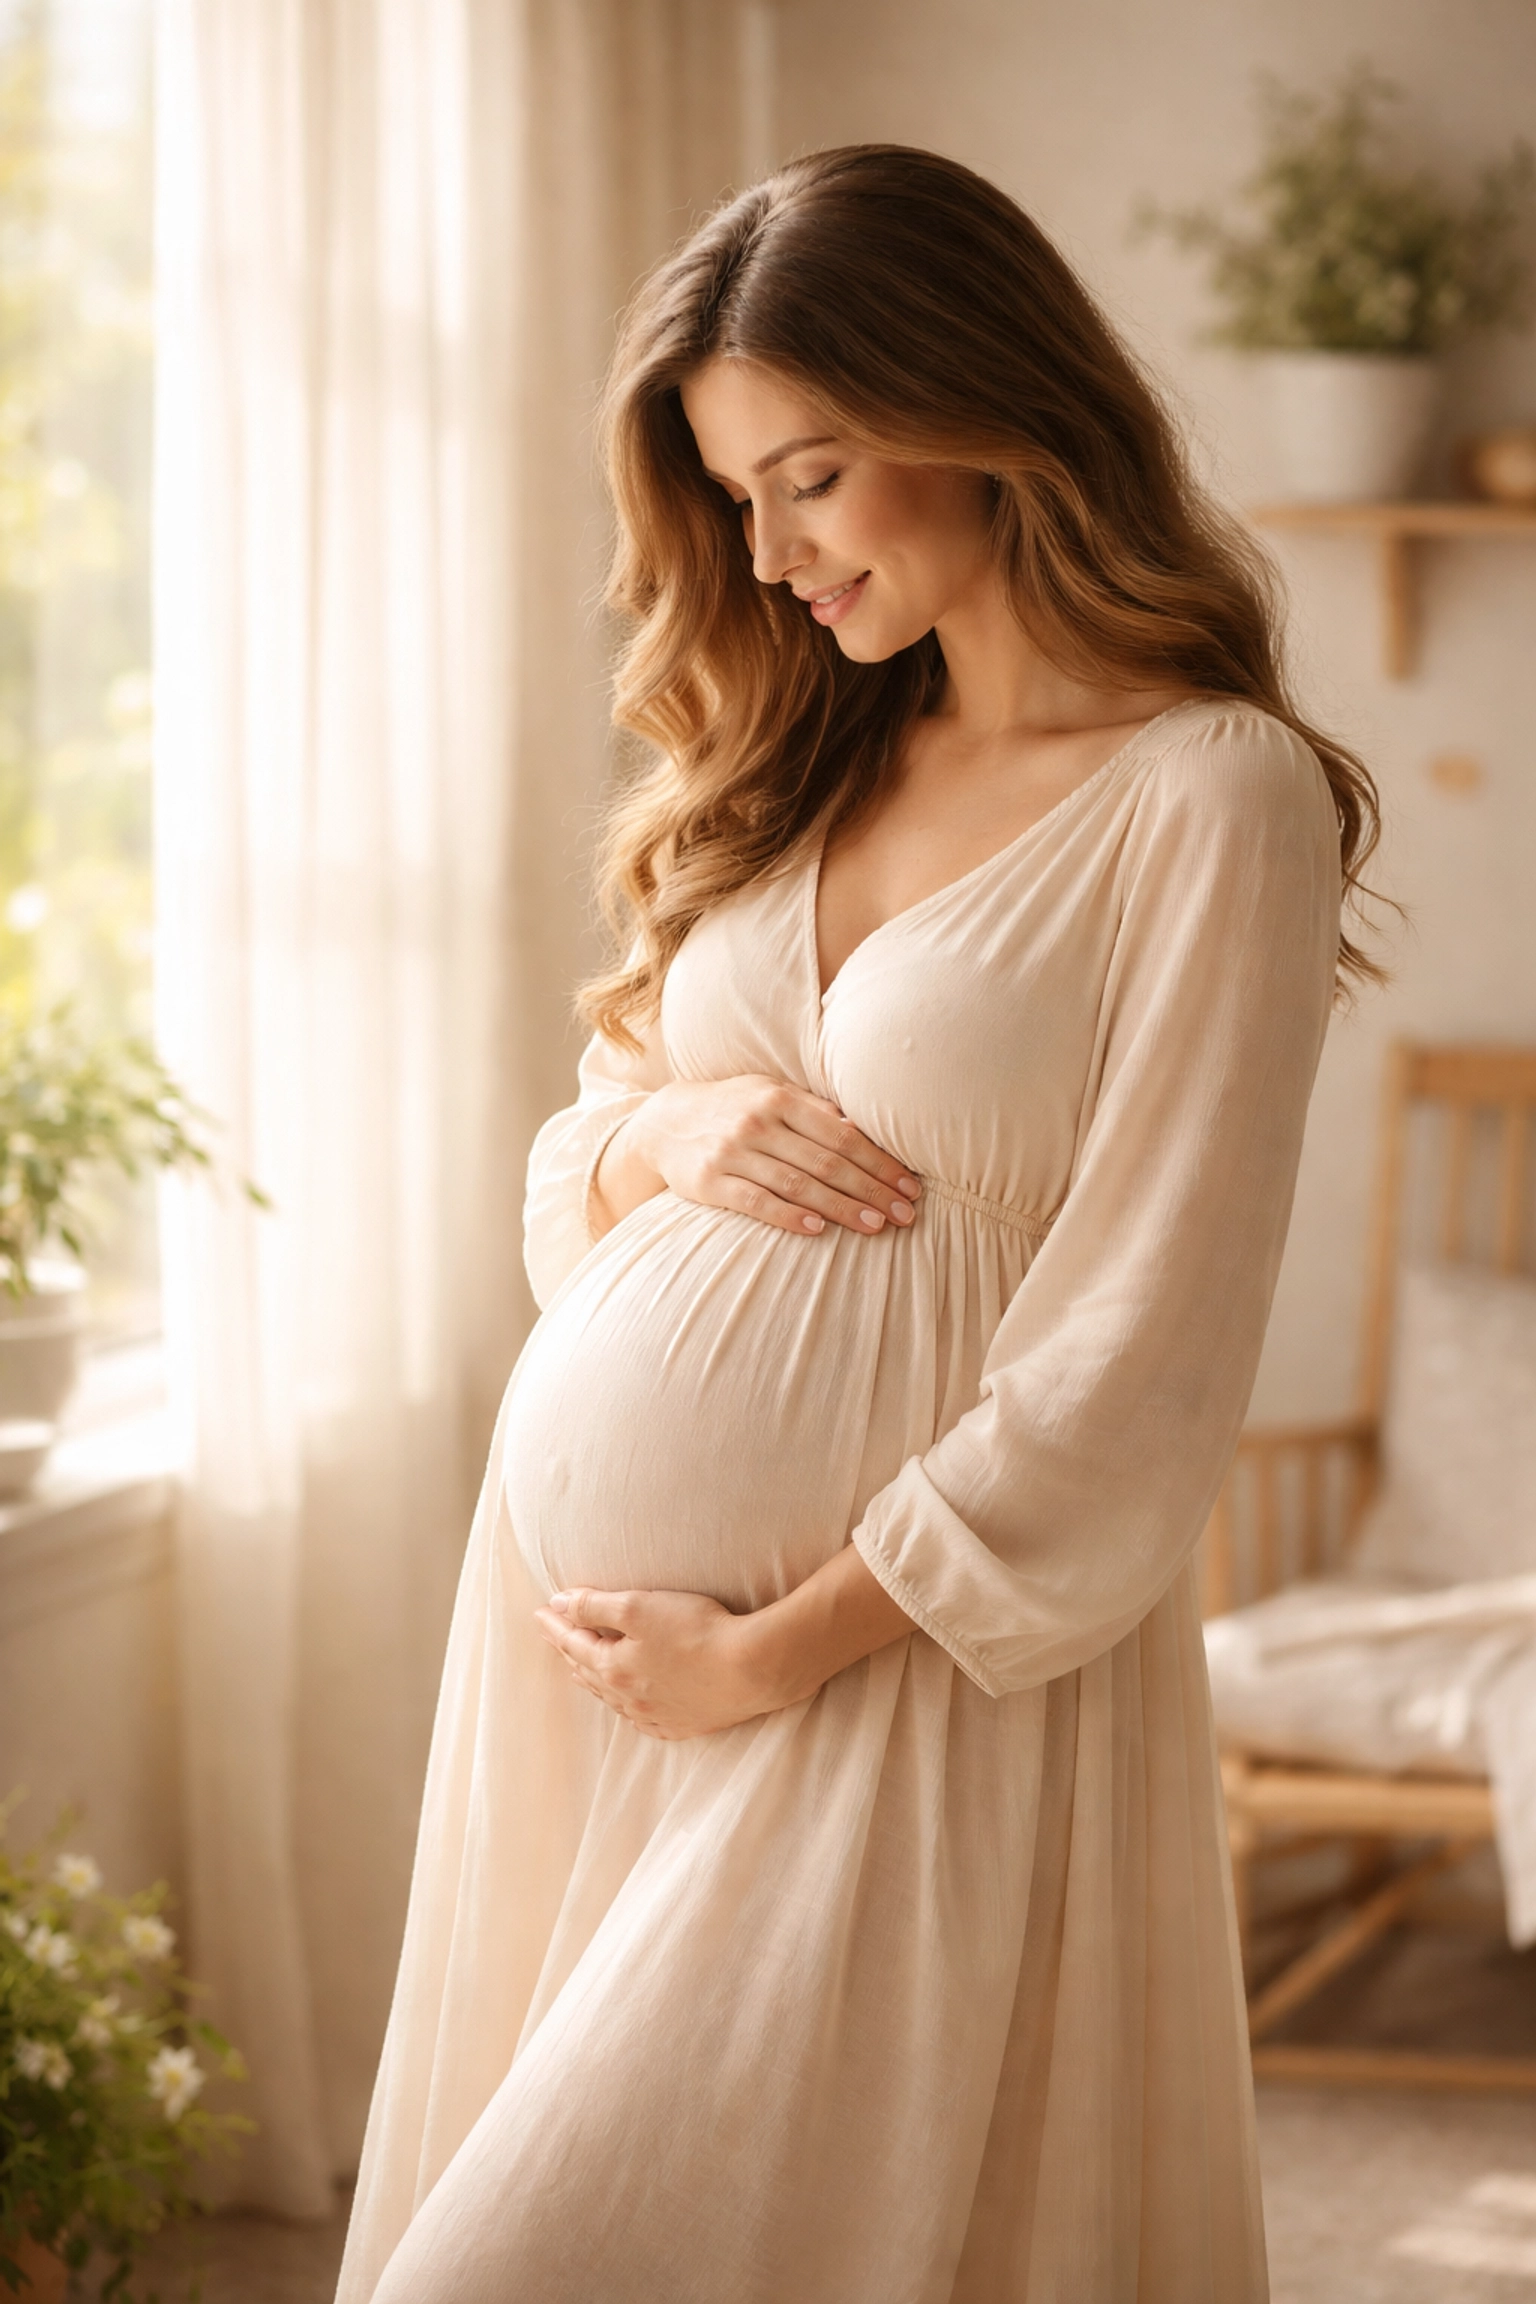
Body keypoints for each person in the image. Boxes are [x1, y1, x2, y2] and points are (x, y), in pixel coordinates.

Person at [336, 144, 1377, 2304]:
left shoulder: (1209, 796)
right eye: (734, 498)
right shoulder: (815, 757)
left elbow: (1144, 1347)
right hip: (604, 1668)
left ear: (984, 412)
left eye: (809, 477)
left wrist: (768, 1650)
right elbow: (582, 1166)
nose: (769, 550)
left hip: (897, 1668)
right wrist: (676, 1131)